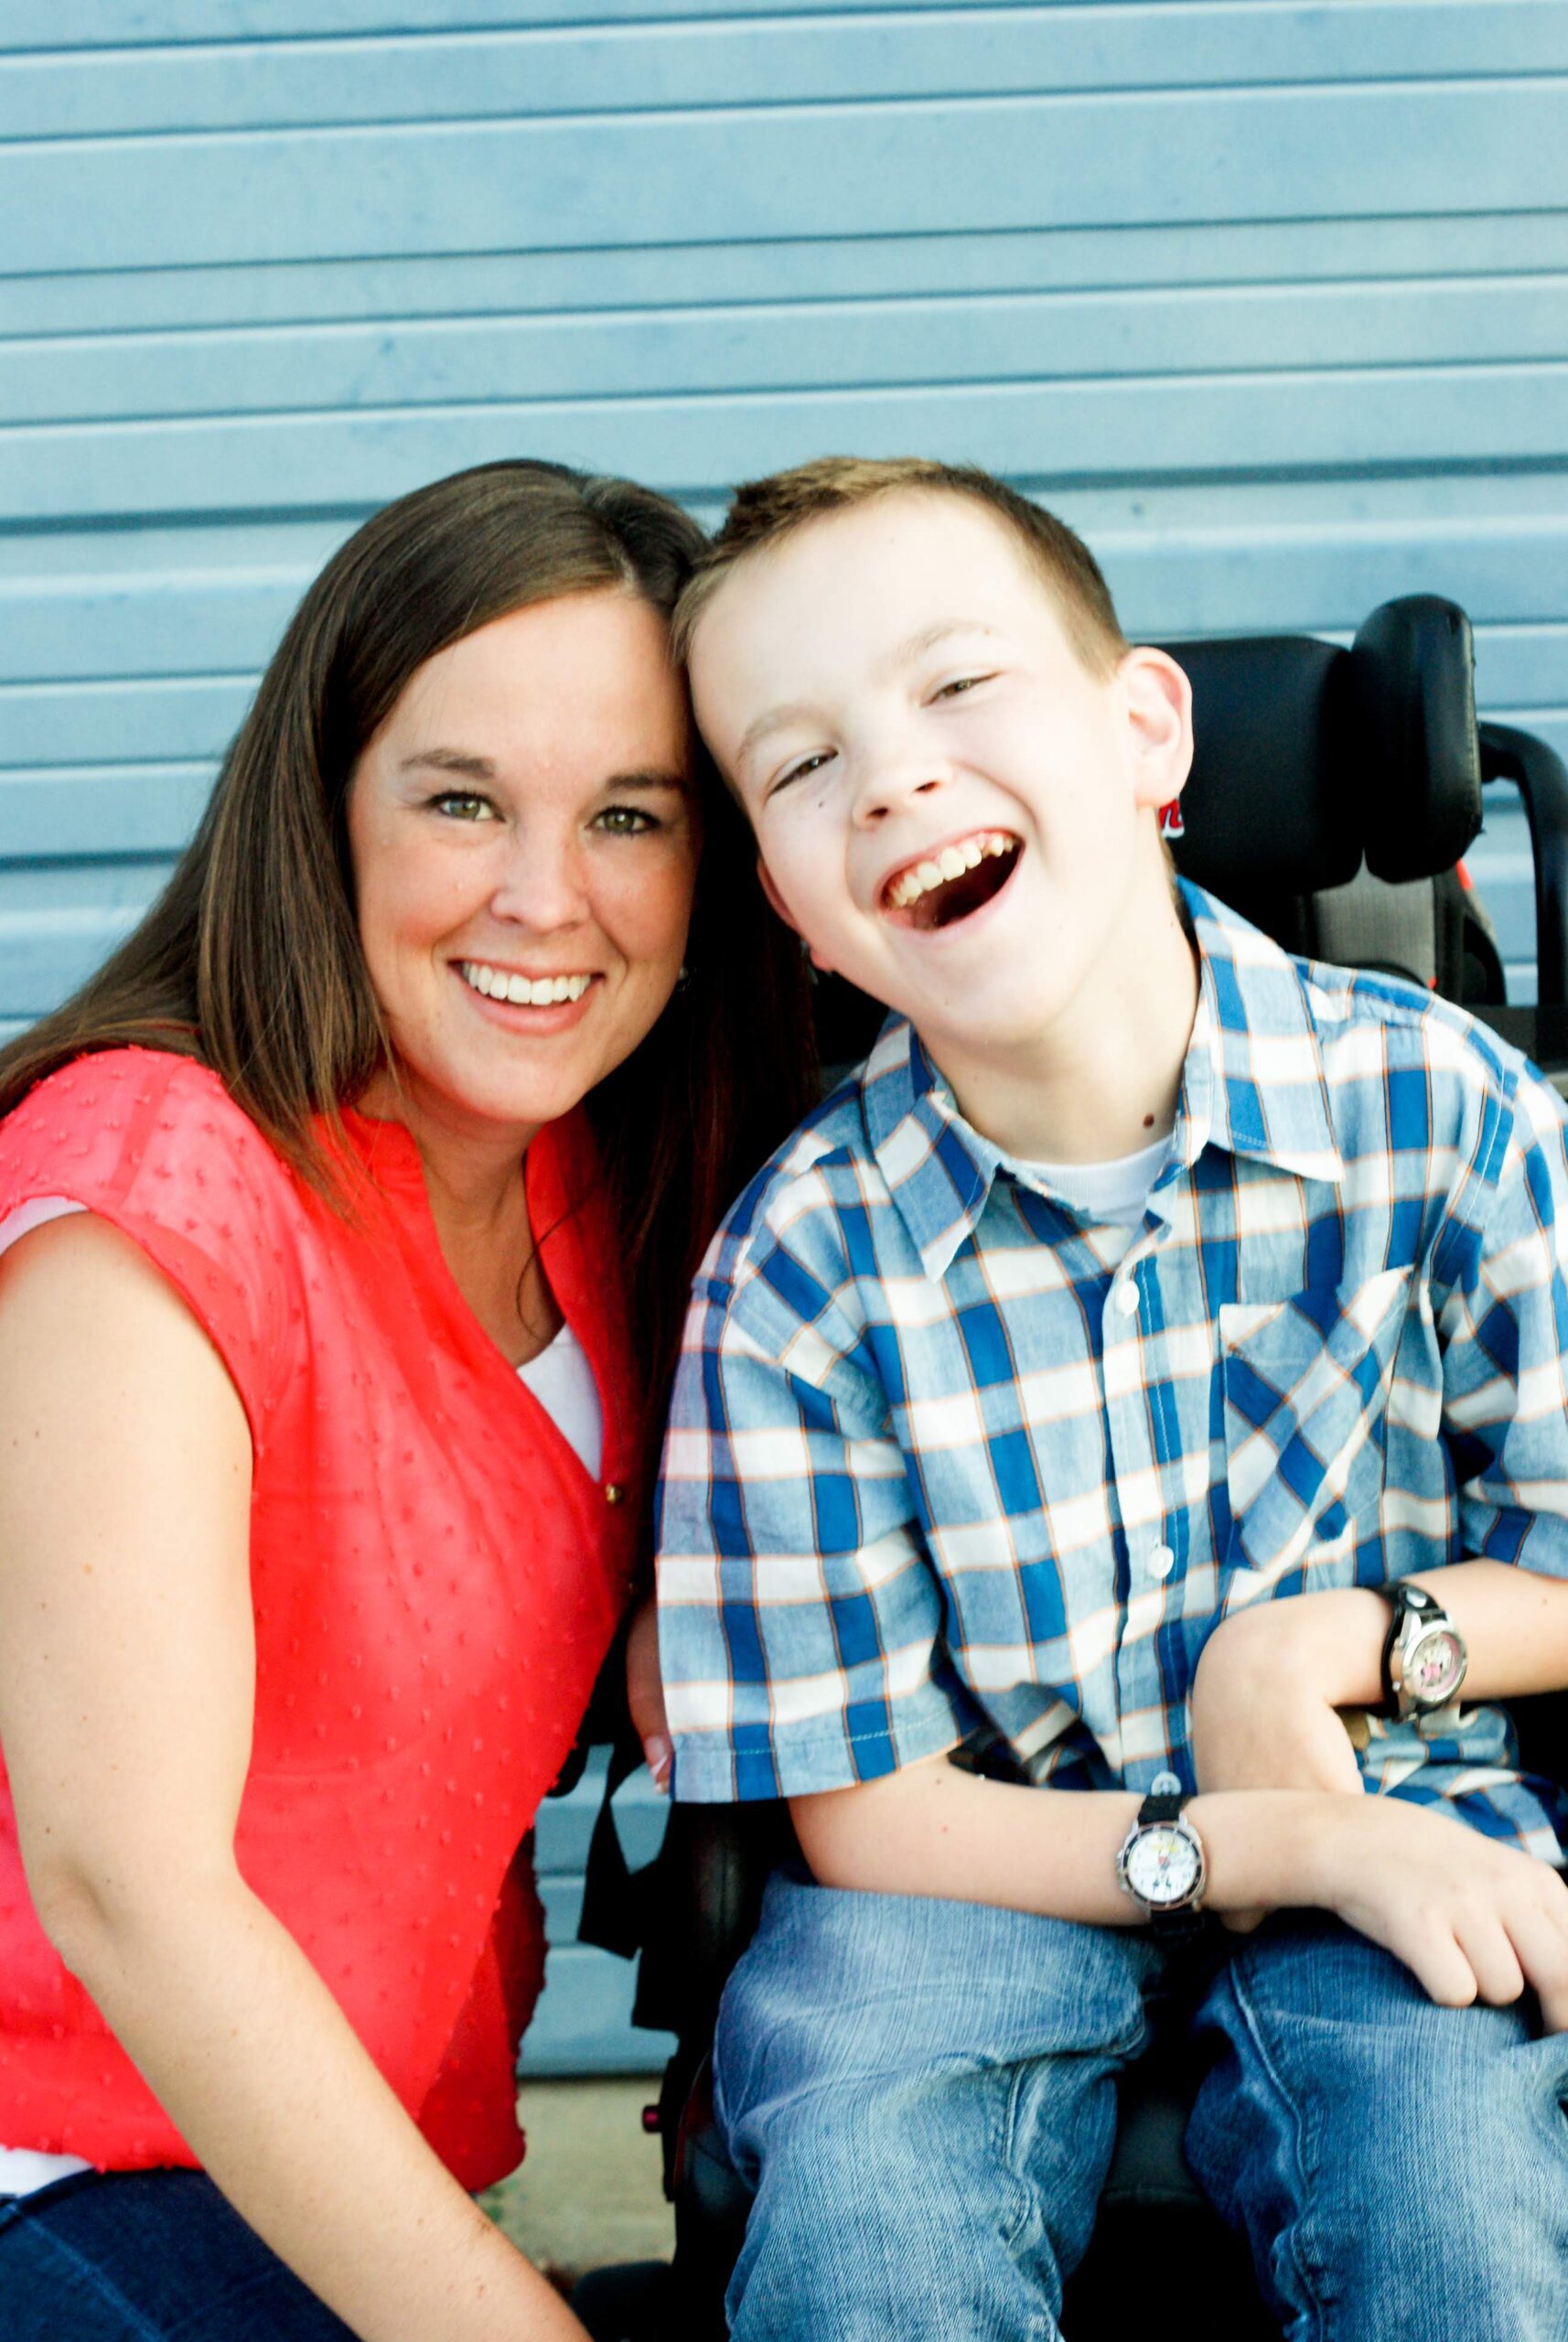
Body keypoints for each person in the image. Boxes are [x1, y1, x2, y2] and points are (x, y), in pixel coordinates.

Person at [653, 455, 1568, 2340]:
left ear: (1145, 731)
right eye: (801, 761)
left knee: (1456, 2211)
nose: (889, 777)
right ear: (790, 905)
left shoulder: (1447, 1111)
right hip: (977, 1865)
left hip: (1398, 1800)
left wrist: (1332, 1643)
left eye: (954, 683)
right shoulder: (799, 1266)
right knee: (865, 2226)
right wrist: (1272, 1841)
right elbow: (868, 1811)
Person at [0, 458, 814, 2342]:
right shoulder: (147, 1190)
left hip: (318, 2179)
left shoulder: (598, 1183)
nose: (544, 898)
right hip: (55, 2161)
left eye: (628, 815)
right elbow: (130, 1888)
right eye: (461, 800)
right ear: (325, 815)